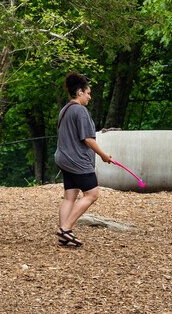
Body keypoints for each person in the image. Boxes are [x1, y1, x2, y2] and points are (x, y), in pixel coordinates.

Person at [54, 72, 112, 247]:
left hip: (63, 158)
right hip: (77, 160)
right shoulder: (80, 111)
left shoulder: (65, 110)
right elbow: (88, 139)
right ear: (80, 92)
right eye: (88, 92)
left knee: (69, 196)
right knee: (92, 194)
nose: (89, 96)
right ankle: (65, 228)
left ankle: (64, 234)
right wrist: (103, 155)